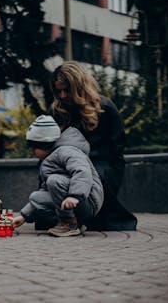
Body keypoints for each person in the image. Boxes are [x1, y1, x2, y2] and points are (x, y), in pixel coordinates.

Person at [47, 61, 137, 231]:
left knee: (88, 175)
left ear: (79, 86)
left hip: (103, 165)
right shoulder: (55, 111)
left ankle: (84, 214)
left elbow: (117, 150)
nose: (63, 95)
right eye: (58, 91)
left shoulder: (105, 108)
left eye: (67, 90)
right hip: (67, 163)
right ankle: (66, 215)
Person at [12, 115, 104, 237]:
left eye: (34, 148)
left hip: (88, 200)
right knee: (36, 197)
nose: (33, 152)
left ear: (44, 144)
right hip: (75, 198)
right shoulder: (51, 158)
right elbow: (46, 189)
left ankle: (69, 224)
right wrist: (24, 216)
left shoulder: (66, 151)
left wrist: (75, 196)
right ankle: (76, 222)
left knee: (54, 181)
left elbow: (82, 171)